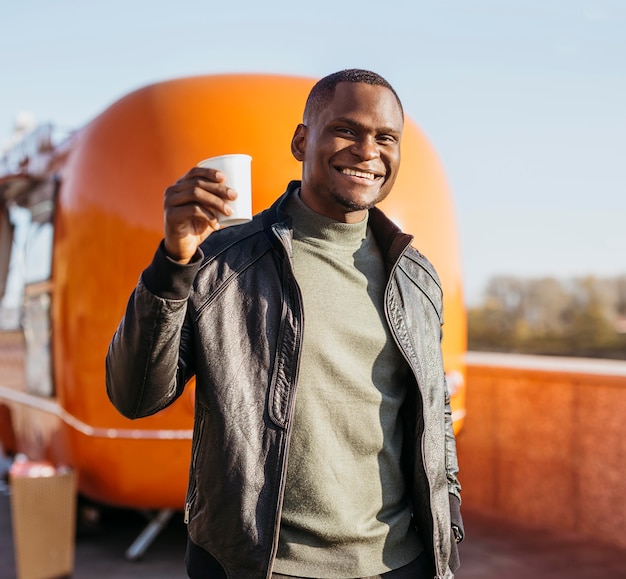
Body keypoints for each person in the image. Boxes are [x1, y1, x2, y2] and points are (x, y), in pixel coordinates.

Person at [106, 68, 463, 579]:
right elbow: (134, 395)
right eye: (346, 130)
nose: (367, 151)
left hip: (399, 564)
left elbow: (435, 415)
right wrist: (172, 262)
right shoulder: (222, 262)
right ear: (301, 141)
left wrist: (448, 528)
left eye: (386, 138)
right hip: (264, 566)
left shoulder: (416, 277)